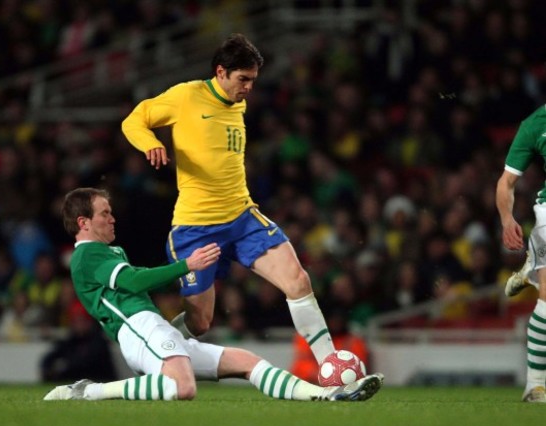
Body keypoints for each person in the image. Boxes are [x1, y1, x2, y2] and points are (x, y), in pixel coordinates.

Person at [44, 187, 383, 401]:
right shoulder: (86, 255)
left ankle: (327, 394)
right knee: (183, 387)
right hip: (138, 330)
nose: (113, 218)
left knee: (247, 363)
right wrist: (185, 265)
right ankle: (89, 391)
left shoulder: (105, 252)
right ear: (83, 222)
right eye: (105, 213)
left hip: (153, 329)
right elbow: (132, 283)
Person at [120, 33, 335, 368]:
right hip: (196, 228)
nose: (248, 87)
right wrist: (150, 143)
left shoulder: (238, 102)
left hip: (242, 217)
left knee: (298, 280)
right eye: (243, 79)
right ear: (220, 72)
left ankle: (331, 367)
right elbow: (134, 120)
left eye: (252, 80)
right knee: (200, 323)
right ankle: (153, 353)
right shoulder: (186, 96)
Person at [496, 104, 546, 403]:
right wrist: (506, 219)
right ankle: (536, 385)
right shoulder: (535, 124)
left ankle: (533, 264)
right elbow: (507, 182)